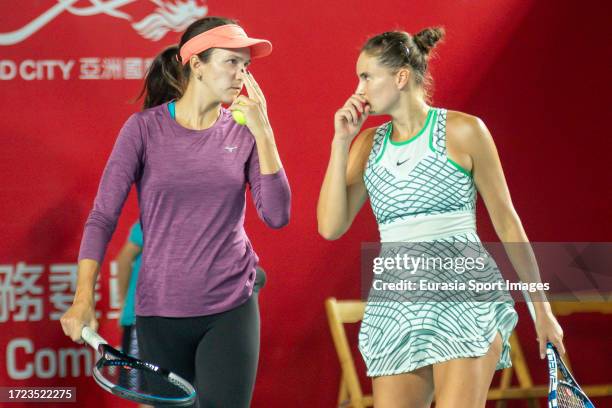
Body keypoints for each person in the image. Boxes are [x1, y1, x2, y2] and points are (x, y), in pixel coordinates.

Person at [317, 28, 564, 408]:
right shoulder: (367, 145)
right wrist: (340, 142)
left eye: (366, 76)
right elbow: (330, 227)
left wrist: (541, 310)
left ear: (400, 77)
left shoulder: (465, 131)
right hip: (395, 304)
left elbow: (507, 223)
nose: (358, 88)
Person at [60, 16, 291, 408]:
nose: (241, 74)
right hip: (160, 310)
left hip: (231, 305)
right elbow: (103, 216)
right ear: (196, 64)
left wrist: (264, 131)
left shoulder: (245, 131)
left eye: (245, 65)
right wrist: (83, 298)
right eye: (231, 62)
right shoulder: (143, 130)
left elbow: (277, 215)